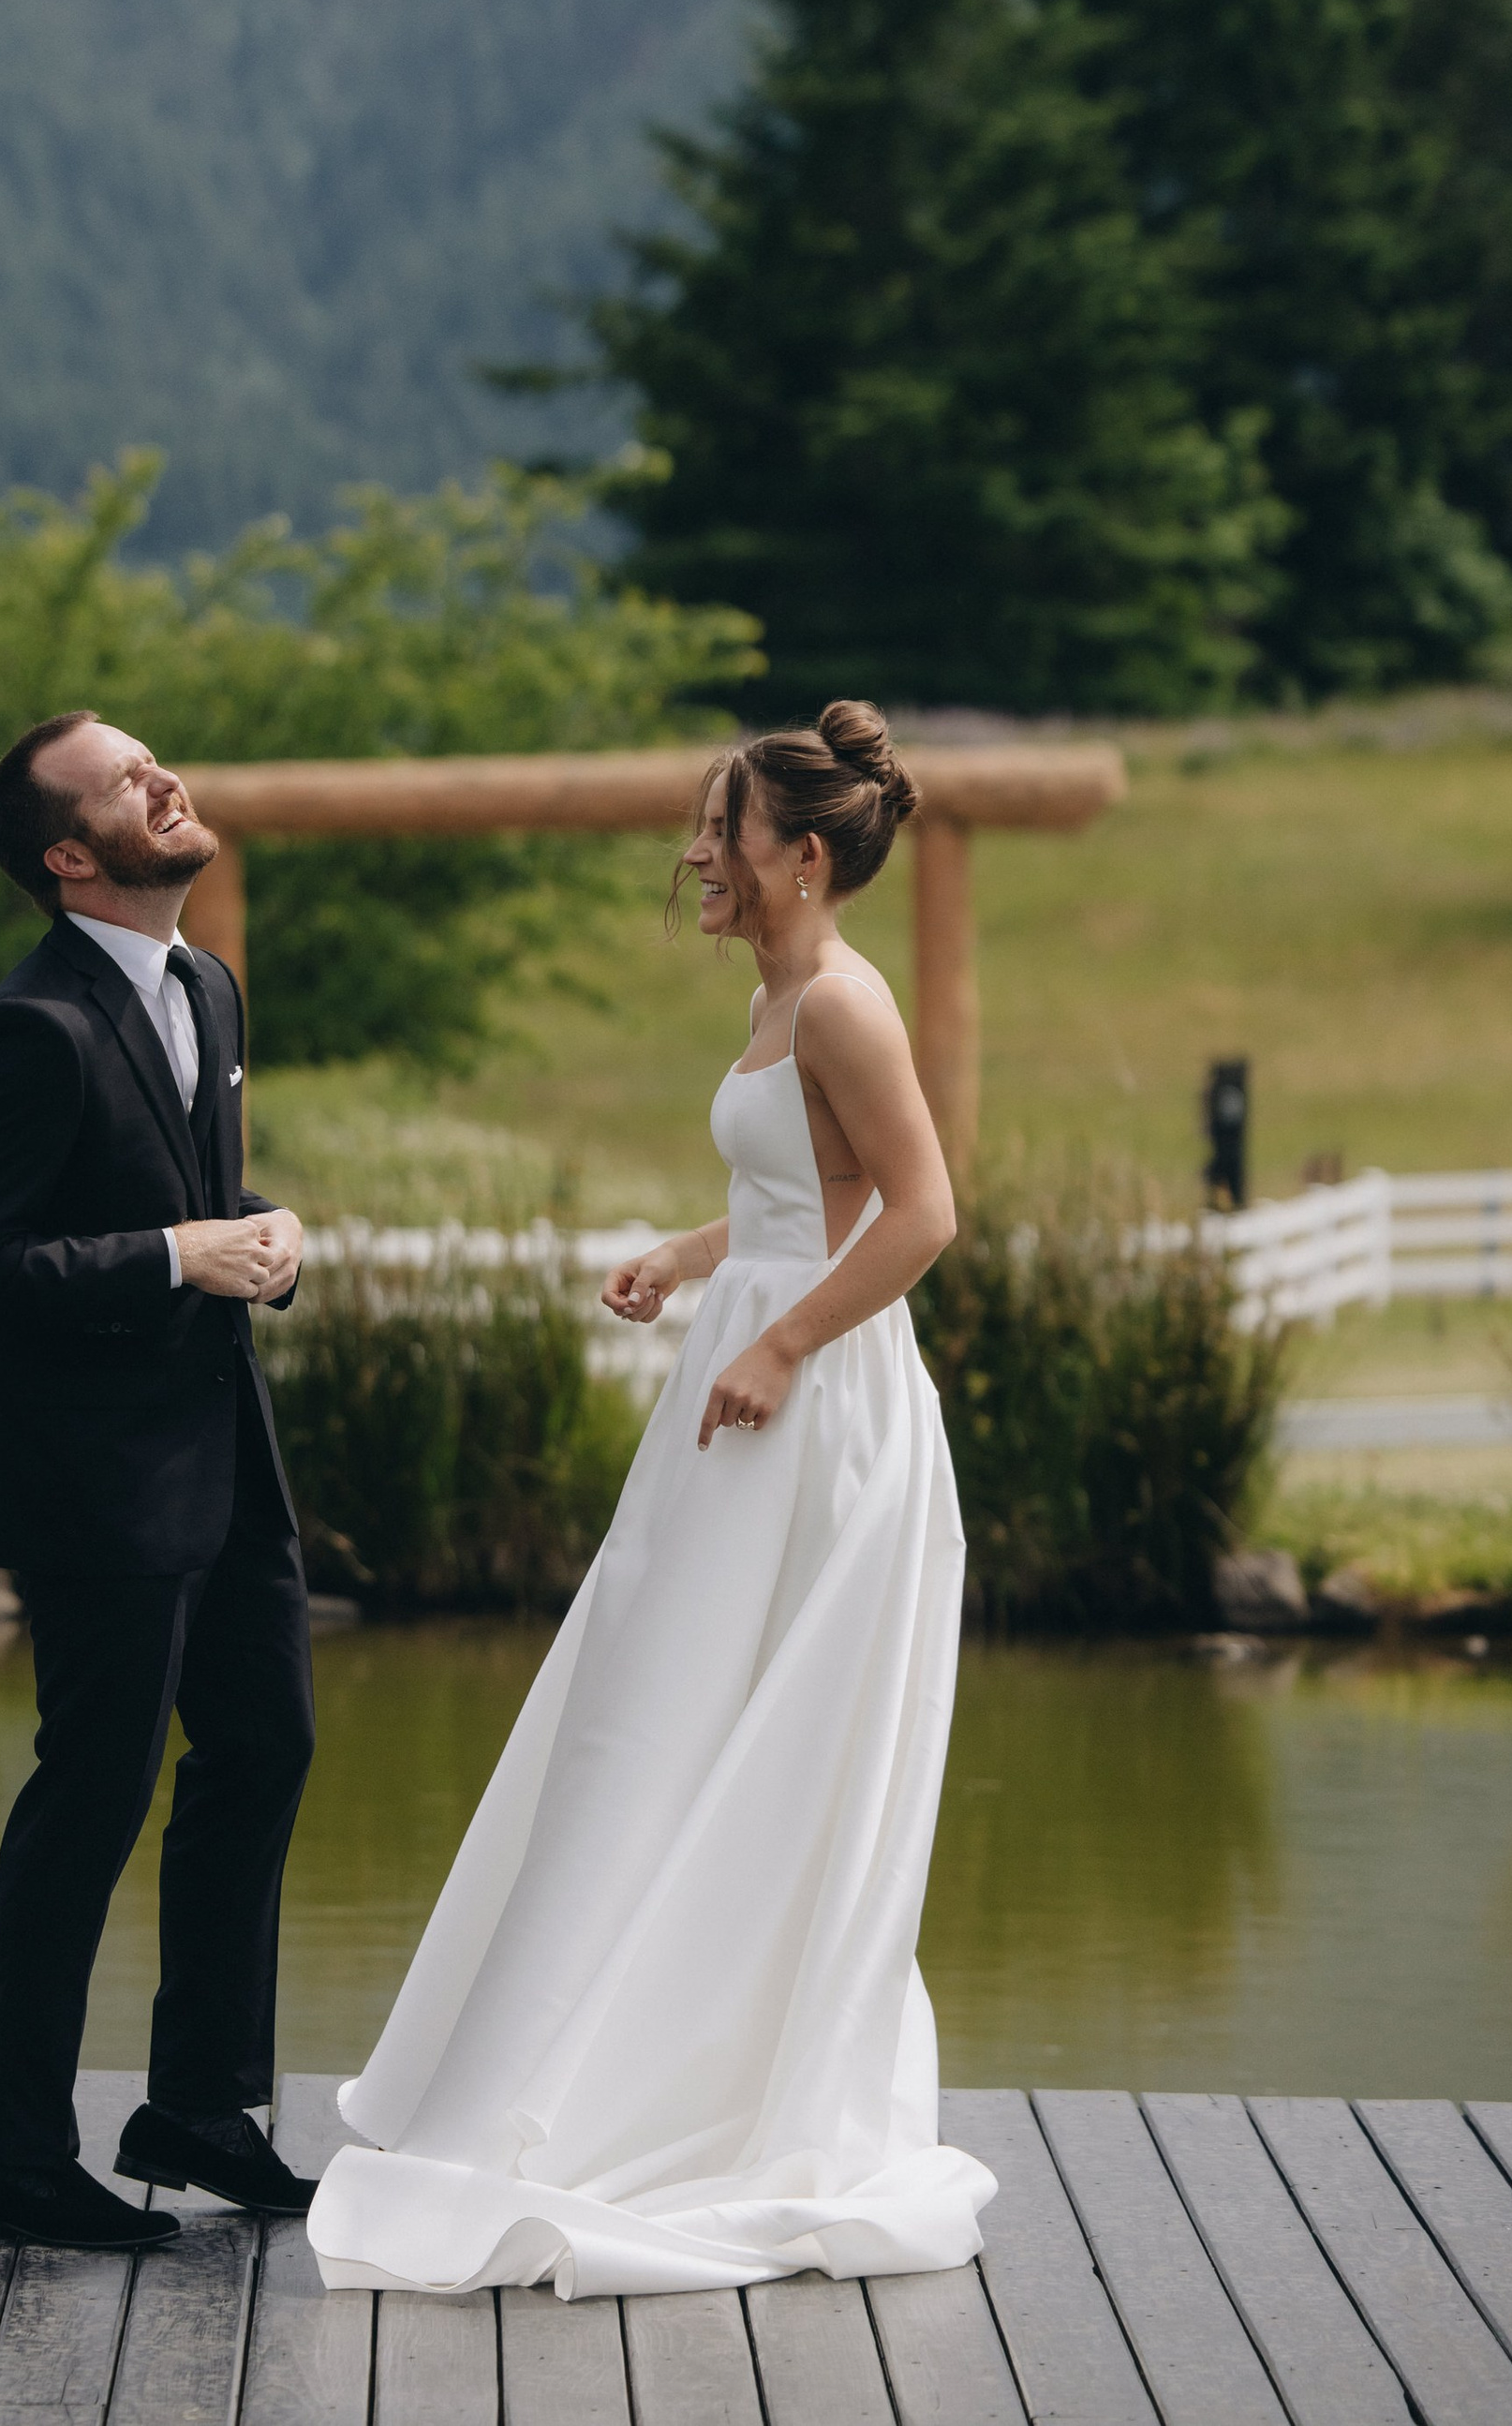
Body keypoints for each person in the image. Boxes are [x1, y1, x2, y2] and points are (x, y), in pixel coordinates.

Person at [304, 702, 997, 2298]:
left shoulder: (844, 1003)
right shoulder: (776, 998)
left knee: (729, 1721)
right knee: (647, 1710)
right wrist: (690, 1256)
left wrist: (783, 1342)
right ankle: (583, 2051)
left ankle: (697, 2091)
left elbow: (922, 1213)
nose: (694, 853)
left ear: (800, 856)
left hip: (816, 1411)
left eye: (720, 829)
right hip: (742, 1380)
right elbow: (801, 1194)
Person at [0, 710, 319, 2254]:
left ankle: (199, 2111)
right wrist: (173, 1254)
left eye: (158, 761)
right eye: (123, 780)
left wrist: (262, 1231)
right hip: (94, 1481)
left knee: (264, 1746)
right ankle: (18, 2160)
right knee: (90, 1798)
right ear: (69, 855)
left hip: (228, 1455)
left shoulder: (205, 983)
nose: (165, 779)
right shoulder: (26, 1028)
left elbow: (192, 1197)